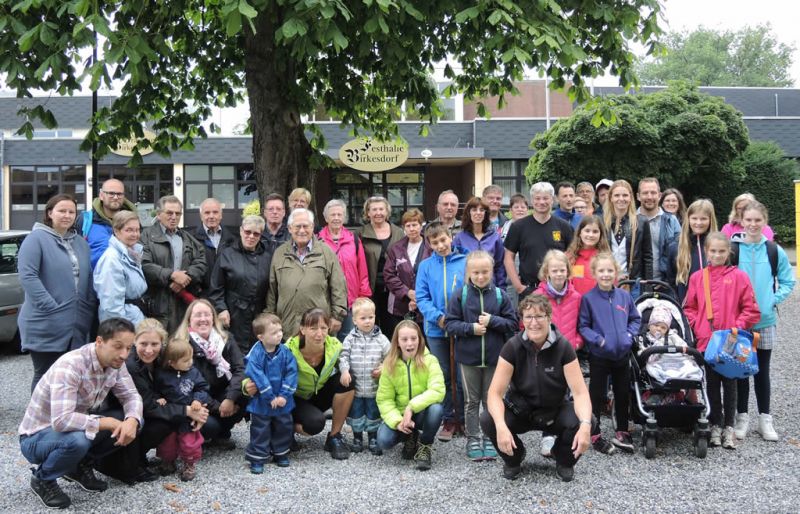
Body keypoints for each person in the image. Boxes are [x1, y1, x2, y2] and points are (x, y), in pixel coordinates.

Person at [19, 318, 143, 509]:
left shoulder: (116, 362)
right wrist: (107, 422)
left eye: (128, 348)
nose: (124, 354)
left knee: (133, 420)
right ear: (99, 341)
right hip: (37, 437)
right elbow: (61, 421)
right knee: (78, 440)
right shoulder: (70, 366)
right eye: (118, 346)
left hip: (74, 428)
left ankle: (78, 466)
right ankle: (42, 478)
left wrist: (132, 420)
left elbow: (131, 396)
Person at [480, 294, 593, 482]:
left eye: (539, 316)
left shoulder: (564, 347)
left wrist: (586, 426)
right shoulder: (512, 347)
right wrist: (500, 426)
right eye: (528, 317)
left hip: (554, 412)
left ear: (549, 318)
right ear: (522, 321)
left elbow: (580, 393)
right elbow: (494, 393)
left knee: (587, 420)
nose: (534, 322)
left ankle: (563, 458)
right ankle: (514, 458)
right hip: (521, 411)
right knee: (488, 418)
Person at [96, 318, 208, 485]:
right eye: (143, 344)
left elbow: (190, 380)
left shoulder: (165, 358)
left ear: (162, 343)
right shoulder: (131, 365)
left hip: (152, 407)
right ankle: (128, 465)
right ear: (135, 342)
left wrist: (200, 408)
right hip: (124, 411)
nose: (149, 350)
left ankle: (144, 458)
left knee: (176, 421)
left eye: (154, 344)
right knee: (157, 422)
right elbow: (147, 406)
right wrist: (187, 411)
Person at [683, 233, 761, 450]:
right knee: (711, 384)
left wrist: (736, 326)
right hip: (708, 340)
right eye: (713, 251)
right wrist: (698, 325)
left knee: (731, 383)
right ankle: (715, 423)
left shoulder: (740, 277)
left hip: (731, 341)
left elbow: (752, 309)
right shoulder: (698, 277)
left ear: (729, 252)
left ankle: (729, 426)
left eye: (721, 251)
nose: (717, 255)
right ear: (706, 251)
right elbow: (689, 307)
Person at [18, 193, 96, 391]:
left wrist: (87, 307)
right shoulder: (35, 239)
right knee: (45, 374)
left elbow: (87, 279)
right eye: (62, 210)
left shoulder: (80, 243)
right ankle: (39, 419)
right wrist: (51, 307)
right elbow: (28, 276)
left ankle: (64, 416)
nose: (67, 215)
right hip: (46, 320)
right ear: (50, 213)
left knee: (71, 375)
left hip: (76, 322)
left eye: (71, 212)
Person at [445, 251, 518, 461]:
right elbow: (450, 324)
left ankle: (491, 436)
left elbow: (512, 324)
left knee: (491, 399)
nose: (480, 276)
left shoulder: (500, 295)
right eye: (475, 272)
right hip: (468, 359)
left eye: (485, 272)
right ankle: (473, 437)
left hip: (495, 359)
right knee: (471, 401)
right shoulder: (461, 295)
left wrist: (493, 321)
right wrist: (471, 328)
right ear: (468, 272)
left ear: (492, 271)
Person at [732, 202, 795, 441]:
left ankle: (765, 419)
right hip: (740, 321)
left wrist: (771, 300)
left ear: (764, 221)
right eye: (749, 220)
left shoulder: (773, 250)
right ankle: (742, 418)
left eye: (758, 220)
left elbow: (788, 281)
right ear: (742, 220)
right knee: (740, 371)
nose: (753, 224)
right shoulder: (734, 249)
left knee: (762, 371)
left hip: (765, 321)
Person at [578, 252, 641, 455]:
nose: (606, 275)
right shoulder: (589, 299)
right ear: (594, 273)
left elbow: (635, 319)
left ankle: (622, 430)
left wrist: (629, 336)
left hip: (622, 353)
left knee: (623, 393)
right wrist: (599, 340)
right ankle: (594, 432)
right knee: (596, 395)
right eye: (601, 271)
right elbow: (584, 326)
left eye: (610, 270)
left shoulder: (624, 296)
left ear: (616, 272)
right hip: (600, 355)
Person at [275, 308, 356, 460]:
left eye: (323, 328)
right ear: (302, 329)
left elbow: (351, 360)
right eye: (313, 328)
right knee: (314, 424)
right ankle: (283, 428)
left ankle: (334, 437)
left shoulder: (335, 346)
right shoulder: (288, 350)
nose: (319, 334)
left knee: (348, 380)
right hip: (293, 399)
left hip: (318, 394)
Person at [415, 221, 467, 441]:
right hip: (436, 330)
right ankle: (448, 418)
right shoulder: (426, 266)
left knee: (460, 375)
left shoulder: (465, 261)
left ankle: (463, 420)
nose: (441, 245)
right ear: (429, 244)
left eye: (443, 240)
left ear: (451, 237)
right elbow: (422, 297)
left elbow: (472, 291)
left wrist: (458, 319)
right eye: (435, 242)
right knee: (444, 374)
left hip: (460, 327)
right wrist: (438, 317)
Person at [175, 299, 247, 449]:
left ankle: (222, 435)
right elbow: (185, 385)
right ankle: (202, 435)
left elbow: (240, 369)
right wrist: (217, 407)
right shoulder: (182, 344)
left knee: (247, 390)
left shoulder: (226, 338)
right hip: (196, 400)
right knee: (211, 427)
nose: (203, 319)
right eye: (198, 315)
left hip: (222, 394)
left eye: (207, 315)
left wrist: (230, 398)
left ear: (213, 318)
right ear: (189, 319)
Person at [376, 320, 445, 470]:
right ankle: (409, 436)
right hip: (400, 415)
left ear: (420, 340)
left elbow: (438, 390)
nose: (410, 343)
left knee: (436, 409)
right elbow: (384, 400)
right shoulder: (389, 365)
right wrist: (397, 421)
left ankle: (425, 444)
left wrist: (411, 407)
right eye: (404, 339)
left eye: (414, 338)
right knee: (383, 441)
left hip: (421, 412)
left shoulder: (430, 360)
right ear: (397, 342)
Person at [267, 208, 347, 336]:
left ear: (312, 227)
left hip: (319, 326)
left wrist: (337, 316)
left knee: (317, 355)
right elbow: (272, 289)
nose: (302, 230)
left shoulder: (326, 252)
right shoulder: (280, 253)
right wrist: (270, 317)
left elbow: (338, 286)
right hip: (287, 323)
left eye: (306, 226)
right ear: (289, 228)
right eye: (298, 226)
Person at [141, 196, 207, 334]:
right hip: (157, 305)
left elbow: (201, 262)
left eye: (177, 214)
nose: (174, 217)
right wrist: (171, 275)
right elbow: (144, 265)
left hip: (183, 306)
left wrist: (185, 278)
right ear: (159, 215)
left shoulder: (187, 238)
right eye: (169, 213)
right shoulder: (146, 236)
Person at [208, 215, 273, 354]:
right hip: (233, 314)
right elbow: (216, 287)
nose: (251, 236)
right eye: (248, 232)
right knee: (234, 353)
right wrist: (221, 309)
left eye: (256, 233)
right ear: (241, 230)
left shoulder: (268, 257)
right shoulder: (227, 254)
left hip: (258, 313)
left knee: (258, 352)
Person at [244, 313, 298, 472]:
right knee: (260, 428)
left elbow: (291, 373)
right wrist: (269, 396)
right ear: (261, 336)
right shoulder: (256, 353)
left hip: (282, 400)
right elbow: (257, 375)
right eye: (274, 333)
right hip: (262, 400)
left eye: (280, 331)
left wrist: (283, 395)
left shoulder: (285, 352)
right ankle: (258, 457)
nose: (279, 335)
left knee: (284, 426)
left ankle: (280, 452)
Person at [154, 338, 211, 481]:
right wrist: (158, 397)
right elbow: (154, 389)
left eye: (191, 358)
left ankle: (189, 463)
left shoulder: (193, 372)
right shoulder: (162, 375)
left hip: (189, 417)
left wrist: (198, 399)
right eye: (186, 360)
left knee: (190, 442)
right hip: (170, 416)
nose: (190, 362)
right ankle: (168, 461)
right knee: (167, 442)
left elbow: (203, 387)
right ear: (171, 363)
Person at [339, 298, 391, 454]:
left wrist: (384, 367)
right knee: (356, 413)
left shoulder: (382, 339)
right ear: (354, 320)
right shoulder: (350, 339)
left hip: (374, 386)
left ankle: (373, 438)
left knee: (373, 412)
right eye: (363, 318)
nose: (367, 321)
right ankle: (357, 437)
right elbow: (343, 356)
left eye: (371, 317)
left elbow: (391, 358)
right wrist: (344, 371)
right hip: (356, 387)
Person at [504, 182, 573, 299]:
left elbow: (572, 257)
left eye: (546, 198)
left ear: (552, 200)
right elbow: (508, 258)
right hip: (529, 290)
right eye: (537, 198)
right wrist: (519, 287)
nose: (542, 202)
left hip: (558, 290)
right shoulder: (518, 227)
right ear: (532, 200)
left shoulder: (564, 226)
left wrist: (568, 284)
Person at [319, 199, 372, 340]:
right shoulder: (318, 241)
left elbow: (362, 270)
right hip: (326, 300)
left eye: (339, 214)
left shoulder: (353, 239)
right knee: (326, 340)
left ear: (344, 217)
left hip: (351, 300)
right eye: (332, 215)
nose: (336, 218)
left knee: (349, 339)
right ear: (326, 218)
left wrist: (362, 297)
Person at [357, 196, 405, 332]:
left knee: (392, 326)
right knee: (370, 325)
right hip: (370, 288)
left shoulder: (399, 233)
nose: (378, 212)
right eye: (374, 209)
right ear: (368, 213)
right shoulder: (360, 233)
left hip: (394, 287)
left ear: (387, 212)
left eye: (381, 209)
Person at [94, 211, 147, 326]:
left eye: (137, 230)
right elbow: (111, 306)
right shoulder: (112, 260)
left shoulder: (132, 254)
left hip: (134, 318)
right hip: (123, 326)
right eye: (129, 230)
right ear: (116, 231)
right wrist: (119, 332)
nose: (135, 234)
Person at [384, 208, 432, 328]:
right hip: (400, 305)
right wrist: (407, 292)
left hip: (426, 303)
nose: (412, 229)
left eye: (415, 225)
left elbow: (436, 274)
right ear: (403, 228)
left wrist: (419, 295)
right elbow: (389, 275)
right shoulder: (396, 248)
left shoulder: (431, 247)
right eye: (408, 225)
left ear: (421, 226)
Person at [667, 199, 718, 303]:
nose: (698, 223)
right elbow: (671, 281)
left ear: (710, 220)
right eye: (694, 218)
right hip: (686, 308)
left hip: (715, 306)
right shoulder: (675, 247)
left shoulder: (719, 248)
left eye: (703, 219)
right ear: (688, 219)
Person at [603, 179, 652, 282]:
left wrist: (648, 285)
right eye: (617, 195)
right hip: (607, 279)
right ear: (611, 198)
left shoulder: (641, 222)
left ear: (630, 198)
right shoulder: (602, 222)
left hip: (633, 281)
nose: (621, 199)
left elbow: (647, 257)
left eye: (625, 195)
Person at [80, 178, 136, 269]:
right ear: (101, 195)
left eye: (119, 194)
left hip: (124, 279)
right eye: (111, 193)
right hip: (94, 280)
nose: (115, 197)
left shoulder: (132, 220)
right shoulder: (86, 220)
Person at [453, 196, 507, 287]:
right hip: (467, 289)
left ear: (486, 213)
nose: (478, 213)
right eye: (474, 210)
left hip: (491, 288)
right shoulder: (459, 238)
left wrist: (501, 289)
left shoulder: (495, 237)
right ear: (469, 213)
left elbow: (500, 266)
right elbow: (455, 266)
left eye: (482, 210)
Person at [188, 198, 238, 294]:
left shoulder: (232, 239)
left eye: (215, 212)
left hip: (225, 295)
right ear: (201, 216)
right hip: (200, 295)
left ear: (221, 215)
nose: (211, 216)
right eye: (207, 213)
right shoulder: (190, 239)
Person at [535, 250, 583, 351]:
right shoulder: (537, 297)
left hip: (569, 352)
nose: (559, 274)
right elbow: (526, 324)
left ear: (568, 271)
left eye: (562, 270)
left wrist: (577, 343)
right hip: (545, 351)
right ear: (547, 272)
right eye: (554, 271)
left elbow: (583, 324)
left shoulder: (576, 297)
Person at [637, 178, 681, 283]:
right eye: (645, 193)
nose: (649, 197)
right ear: (638, 196)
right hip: (636, 283)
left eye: (653, 193)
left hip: (664, 282)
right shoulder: (630, 221)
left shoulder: (671, 220)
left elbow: (679, 252)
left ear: (660, 195)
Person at [567, 215, 611, 295]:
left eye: (595, 231)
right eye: (587, 231)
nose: (590, 235)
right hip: (575, 305)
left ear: (600, 235)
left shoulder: (606, 259)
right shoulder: (569, 257)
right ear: (580, 233)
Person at [500, 193, 529, 308]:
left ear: (527, 209)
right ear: (511, 210)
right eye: (516, 207)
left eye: (523, 207)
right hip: (509, 280)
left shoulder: (532, 226)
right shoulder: (503, 229)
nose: (520, 210)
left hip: (528, 281)